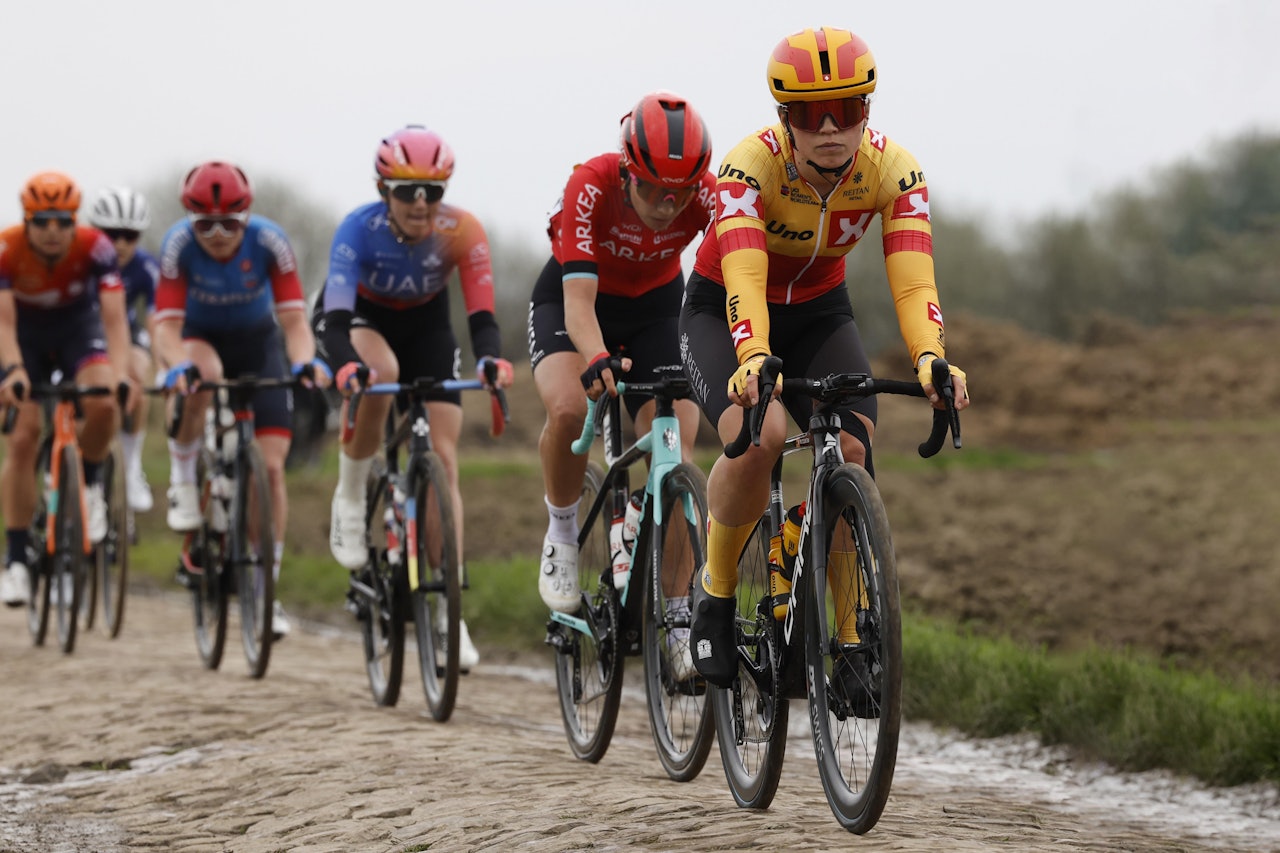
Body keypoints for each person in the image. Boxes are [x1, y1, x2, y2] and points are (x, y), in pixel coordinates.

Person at [679, 27, 971, 688]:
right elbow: (745, 279)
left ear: (868, 110)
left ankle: (845, 638)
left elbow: (915, 279)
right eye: (812, 115)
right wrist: (753, 354)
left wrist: (931, 359)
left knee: (854, 450)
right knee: (764, 435)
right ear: (786, 118)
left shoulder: (894, 170)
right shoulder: (748, 166)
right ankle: (715, 596)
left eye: (849, 109)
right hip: (722, 306)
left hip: (818, 311)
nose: (831, 128)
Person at [528, 92, 714, 679]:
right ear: (630, 170)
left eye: (680, 193)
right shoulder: (591, 184)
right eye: (655, 188)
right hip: (576, 304)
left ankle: (680, 617)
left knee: (677, 457)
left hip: (658, 308)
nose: (667, 205)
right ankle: (561, 534)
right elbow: (579, 306)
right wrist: (598, 358)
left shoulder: (706, 193)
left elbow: (735, 268)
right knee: (565, 411)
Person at [315, 126, 514, 670]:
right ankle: (351, 498)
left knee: (443, 460)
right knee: (380, 371)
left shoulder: (462, 230)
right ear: (385, 191)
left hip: (428, 328)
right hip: (361, 319)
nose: (421, 203)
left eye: (433, 190)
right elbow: (332, 321)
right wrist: (344, 367)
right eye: (407, 191)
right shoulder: (357, 229)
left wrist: (491, 358)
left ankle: (450, 613)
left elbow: (480, 315)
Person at [152, 161, 330, 639]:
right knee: (202, 375)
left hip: (257, 342)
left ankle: (264, 591)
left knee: (271, 469)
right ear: (189, 218)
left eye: (229, 223)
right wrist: (174, 364)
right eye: (203, 222)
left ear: (247, 217)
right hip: (197, 337)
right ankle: (185, 481)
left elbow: (295, 323)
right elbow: (165, 326)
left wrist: (304, 364)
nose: (216, 234)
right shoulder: (178, 244)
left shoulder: (270, 242)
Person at [0, 172, 135, 606]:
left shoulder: (96, 247)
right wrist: (14, 369)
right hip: (24, 338)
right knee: (22, 438)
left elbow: (115, 320)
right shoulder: (7, 249)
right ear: (27, 220)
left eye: (63, 220)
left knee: (105, 404)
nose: (53, 230)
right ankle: (17, 561)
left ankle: (91, 486)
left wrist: (119, 374)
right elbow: (3, 323)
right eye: (42, 221)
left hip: (78, 331)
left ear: (75, 220)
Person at [88, 187, 160, 515]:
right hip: (85, 336)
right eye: (111, 234)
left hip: (126, 334)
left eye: (129, 236)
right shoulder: (81, 260)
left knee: (136, 374)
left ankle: (132, 468)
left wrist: (161, 366)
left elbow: (158, 319)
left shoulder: (146, 267)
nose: (119, 244)